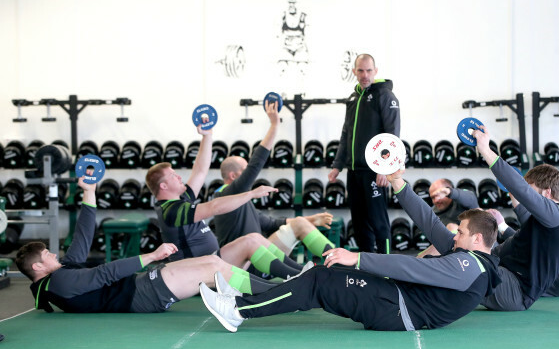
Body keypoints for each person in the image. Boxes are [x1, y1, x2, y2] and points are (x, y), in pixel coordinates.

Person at [199, 169, 501, 333]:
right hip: (394, 298)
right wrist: (398, 183)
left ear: (477, 239)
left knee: (318, 281)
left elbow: (417, 269)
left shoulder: (471, 267)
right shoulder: (468, 256)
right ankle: (240, 300)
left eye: (460, 233)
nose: (454, 235)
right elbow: (428, 220)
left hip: (397, 309)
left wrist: (357, 258)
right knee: (320, 273)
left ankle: (238, 311)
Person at [14, 178, 278, 314]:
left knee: (215, 264)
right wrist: (152, 255)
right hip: (140, 296)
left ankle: (280, 291)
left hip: (140, 286)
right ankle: (280, 294)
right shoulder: (58, 284)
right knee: (213, 270)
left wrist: (89, 191)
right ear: (38, 266)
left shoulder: (60, 275)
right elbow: (104, 274)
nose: (53, 254)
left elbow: (83, 237)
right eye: (48, 254)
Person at [146, 125, 306, 281]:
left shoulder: (181, 200)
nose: (179, 177)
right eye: (173, 176)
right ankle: (300, 277)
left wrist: (207, 136)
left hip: (211, 262)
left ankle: (303, 272)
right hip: (198, 273)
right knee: (249, 241)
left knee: (254, 237)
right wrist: (251, 194)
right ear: (163, 186)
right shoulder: (171, 211)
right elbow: (213, 207)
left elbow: (200, 170)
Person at [473, 125, 559, 311]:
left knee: (460, 265)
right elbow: (520, 203)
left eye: (530, 188)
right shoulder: (545, 221)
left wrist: (485, 150)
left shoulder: (557, 215)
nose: (526, 196)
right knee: (453, 245)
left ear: (547, 193)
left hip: (514, 289)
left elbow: (520, 190)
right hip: (507, 276)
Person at [213, 101, 336, 262]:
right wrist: (274, 125)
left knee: (299, 223)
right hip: (243, 263)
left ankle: (339, 261)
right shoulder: (225, 196)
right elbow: (256, 163)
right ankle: (335, 265)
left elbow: (272, 223)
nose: (249, 175)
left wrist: (312, 219)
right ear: (233, 176)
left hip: (257, 255)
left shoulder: (242, 200)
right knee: (297, 224)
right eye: (244, 171)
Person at [329, 53, 400, 253]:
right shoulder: (353, 98)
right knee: (359, 223)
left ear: (376, 71)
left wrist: (385, 169)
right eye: (360, 70)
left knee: (379, 223)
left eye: (369, 70)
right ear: (354, 72)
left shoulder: (385, 96)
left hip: (374, 172)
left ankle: (386, 267)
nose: (365, 74)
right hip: (354, 171)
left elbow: (392, 135)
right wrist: (337, 165)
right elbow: (346, 134)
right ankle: (366, 266)